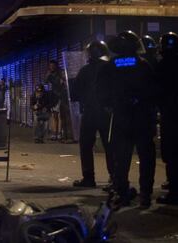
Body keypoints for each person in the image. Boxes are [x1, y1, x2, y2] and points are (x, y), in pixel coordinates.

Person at [97, 31, 157, 209]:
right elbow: (153, 90)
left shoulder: (110, 66)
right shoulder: (142, 64)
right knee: (146, 158)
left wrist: (111, 106)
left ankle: (122, 192)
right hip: (142, 118)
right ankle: (145, 194)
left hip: (121, 118)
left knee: (121, 158)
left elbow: (100, 92)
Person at [72, 40, 113, 188]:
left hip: (89, 113)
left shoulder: (85, 70)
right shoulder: (111, 68)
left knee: (86, 146)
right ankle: (114, 177)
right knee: (110, 146)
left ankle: (89, 178)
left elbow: (75, 92)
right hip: (107, 113)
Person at [156, 32, 178, 205]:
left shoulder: (162, 65)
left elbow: (156, 90)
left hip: (170, 115)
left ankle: (174, 192)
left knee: (171, 153)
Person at [45, 61, 73, 142]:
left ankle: (61, 133)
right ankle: (55, 133)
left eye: (53, 65)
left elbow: (65, 80)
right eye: (50, 66)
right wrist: (48, 74)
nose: (52, 67)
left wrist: (63, 80)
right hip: (54, 96)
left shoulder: (60, 73)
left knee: (62, 115)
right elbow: (45, 81)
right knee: (55, 115)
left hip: (62, 95)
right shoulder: (50, 74)